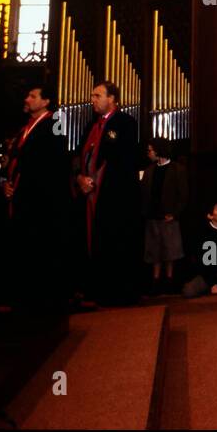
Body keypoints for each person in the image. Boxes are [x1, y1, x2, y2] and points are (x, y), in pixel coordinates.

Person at [73, 80, 141, 306]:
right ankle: (94, 288)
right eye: (93, 95)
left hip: (115, 197)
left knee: (115, 242)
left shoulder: (125, 123)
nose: (93, 99)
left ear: (112, 98)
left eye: (97, 95)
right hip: (90, 195)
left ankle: (115, 292)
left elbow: (123, 160)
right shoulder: (91, 125)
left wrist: (97, 179)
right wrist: (80, 178)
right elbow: (81, 156)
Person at [3, 84, 71, 311]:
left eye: (33, 96)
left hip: (43, 201)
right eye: (28, 95)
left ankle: (43, 299)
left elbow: (55, 163)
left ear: (45, 101)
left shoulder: (56, 124)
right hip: (23, 197)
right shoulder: (25, 127)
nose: (27, 99)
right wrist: (7, 183)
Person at [142, 138, 187, 296]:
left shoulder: (177, 169)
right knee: (154, 252)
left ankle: (169, 281)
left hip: (169, 218)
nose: (148, 153)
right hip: (152, 217)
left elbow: (183, 195)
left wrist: (175, 214)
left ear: (159, 150)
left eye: (150, 150)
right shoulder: (149, 171)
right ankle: (155, 282)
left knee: (170, 252)